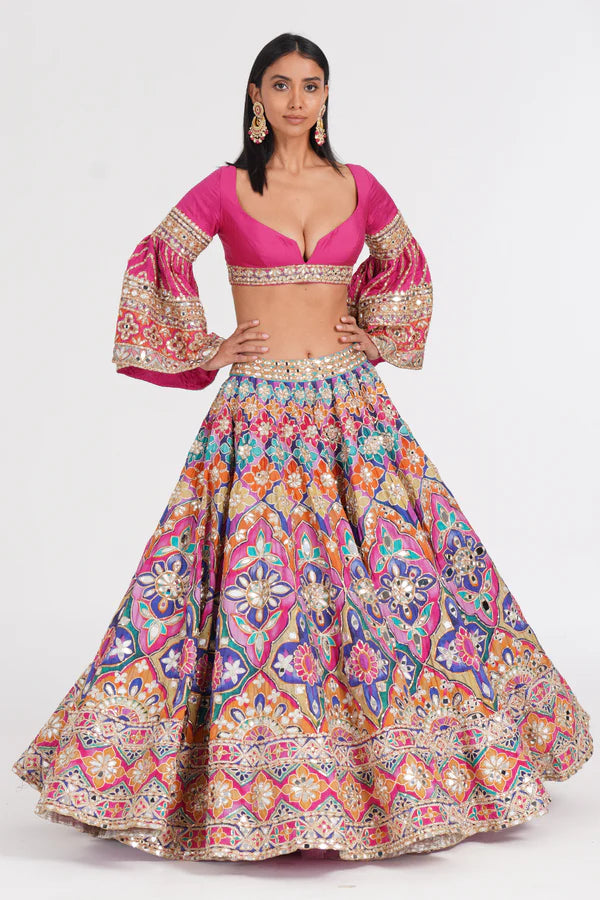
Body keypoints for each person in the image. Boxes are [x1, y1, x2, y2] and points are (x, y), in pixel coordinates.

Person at [13, 32, 593, 864]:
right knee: (260, 591)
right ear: (256, 96)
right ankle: (252, 785)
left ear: (327, 97)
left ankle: (421, 766)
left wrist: (374, 333)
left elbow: (407, 264)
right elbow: (157, 259)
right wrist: (208, 349)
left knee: (399, 581)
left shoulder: (360, 185)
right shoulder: (224, 188)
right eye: (280, 84)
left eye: (311, 85)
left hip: (352, 409)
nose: (296, 99)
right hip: (256, 415)